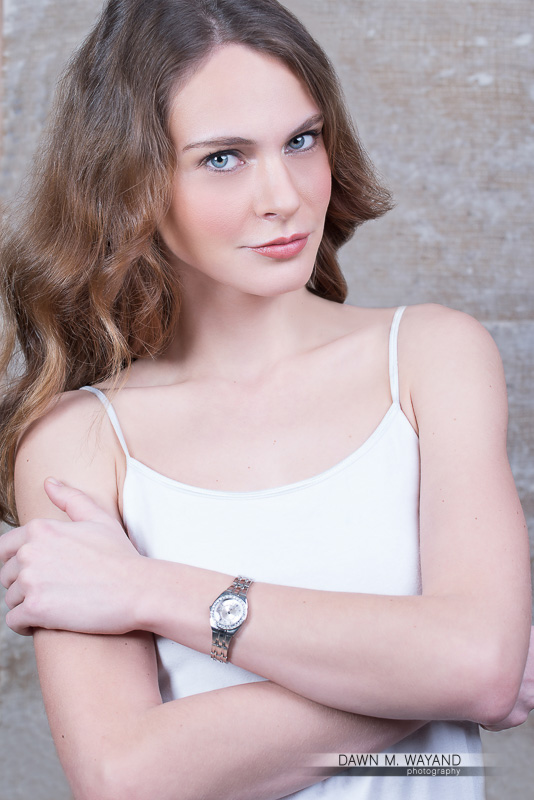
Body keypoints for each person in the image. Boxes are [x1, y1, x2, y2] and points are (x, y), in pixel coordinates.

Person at [0, 1, 532, 798]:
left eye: (301, 140)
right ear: (130, 184)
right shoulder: (79, 442)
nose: (282, 195)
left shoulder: (430, 357)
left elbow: (479, 666)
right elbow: (124, 779)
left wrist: (150, 590)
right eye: (223, 158)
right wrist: (430, 673)